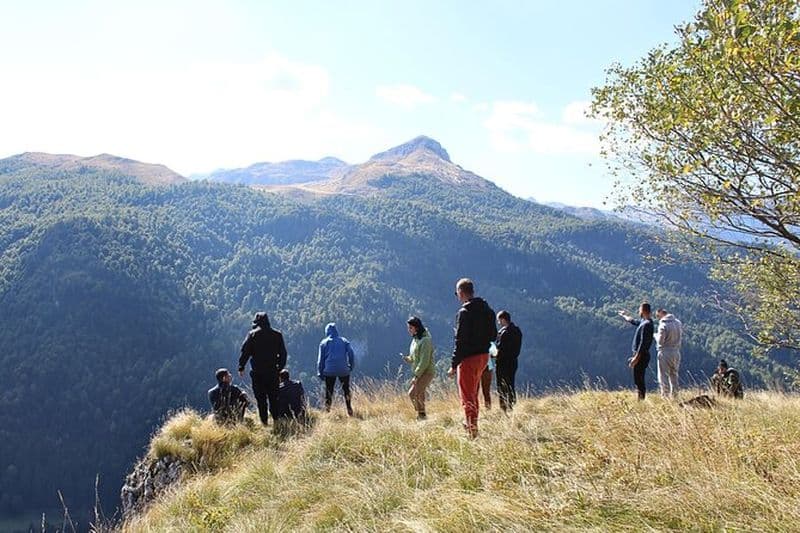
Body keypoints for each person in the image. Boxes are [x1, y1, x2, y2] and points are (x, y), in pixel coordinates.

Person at [448, 278, 497, 438]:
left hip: (468, 358)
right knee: (473, 392)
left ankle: (472, 430)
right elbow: (493, 335)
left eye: (456, 293)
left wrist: (454, 364)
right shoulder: (488, 310)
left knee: (467, 395)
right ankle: (471, 423)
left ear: (461, 293)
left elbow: (460, 341)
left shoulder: (464, 313)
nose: (457, 296)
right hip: (483, 357)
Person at [238, 312, 288, 425]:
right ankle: (276, 420)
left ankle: (264, 422)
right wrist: (280, 368)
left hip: (257, 372)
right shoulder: (277, 334)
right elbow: (283, 354)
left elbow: (245, 352)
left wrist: (241, 366)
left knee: (261, 399)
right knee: (274, 397)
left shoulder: (252, 335)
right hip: (272, 372)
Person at [317, 323, 355, 416]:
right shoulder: (344, 341)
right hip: (343, 369)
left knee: (329, 391)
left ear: (327, 332)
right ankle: (349, 409)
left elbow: (320, 360)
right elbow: (351, 353)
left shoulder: (324, 343)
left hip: (329, 370)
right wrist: (351, 366)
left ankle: (327, 411)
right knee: (346, 389)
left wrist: (320, 372)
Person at [618, 303, 654, 400]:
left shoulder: (647, 325)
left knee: (639, 380)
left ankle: (641, 401)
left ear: (643, 311)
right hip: (641, 355)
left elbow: (643, 344)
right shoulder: (644, 322)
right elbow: (633, 321)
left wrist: (636, 358)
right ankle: (640, 399)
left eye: (639, 310)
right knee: (638, 379)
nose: (638, 312)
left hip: (641, 356)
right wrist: (624, 315)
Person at [403, 316, 435, 420]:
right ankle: (422, 415)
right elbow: (415, 356)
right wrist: (409, 359)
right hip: (420, 371)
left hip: (426, 372)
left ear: (416, 328)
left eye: (410, 328)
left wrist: (416, 375)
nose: (408, 330)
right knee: (420, 393)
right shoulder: (415, 340)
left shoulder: (425, 340)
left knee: (412, 393)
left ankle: (421, 414)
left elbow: (424, 361)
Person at [495, 310, 523, 412]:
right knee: (510, 383)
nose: (498, 323)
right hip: (513, 361)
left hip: (502, 363)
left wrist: (492, 354)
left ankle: (503, 407)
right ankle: (511, 404)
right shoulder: (517, 331)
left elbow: (500, 350)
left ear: (502, 319)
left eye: (499, 320)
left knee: (501, 385)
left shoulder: (504, 333)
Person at [655, 308, 683, 399]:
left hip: (665, 352)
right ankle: (675, 396)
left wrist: (655, 335)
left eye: (657, 316)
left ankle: (665, 397)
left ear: (661, 314)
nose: (657, 318)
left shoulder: (663, 325)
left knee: (663, 376)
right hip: (676, 351)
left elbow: (660, 341)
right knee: (674, 375)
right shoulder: (678, 323)